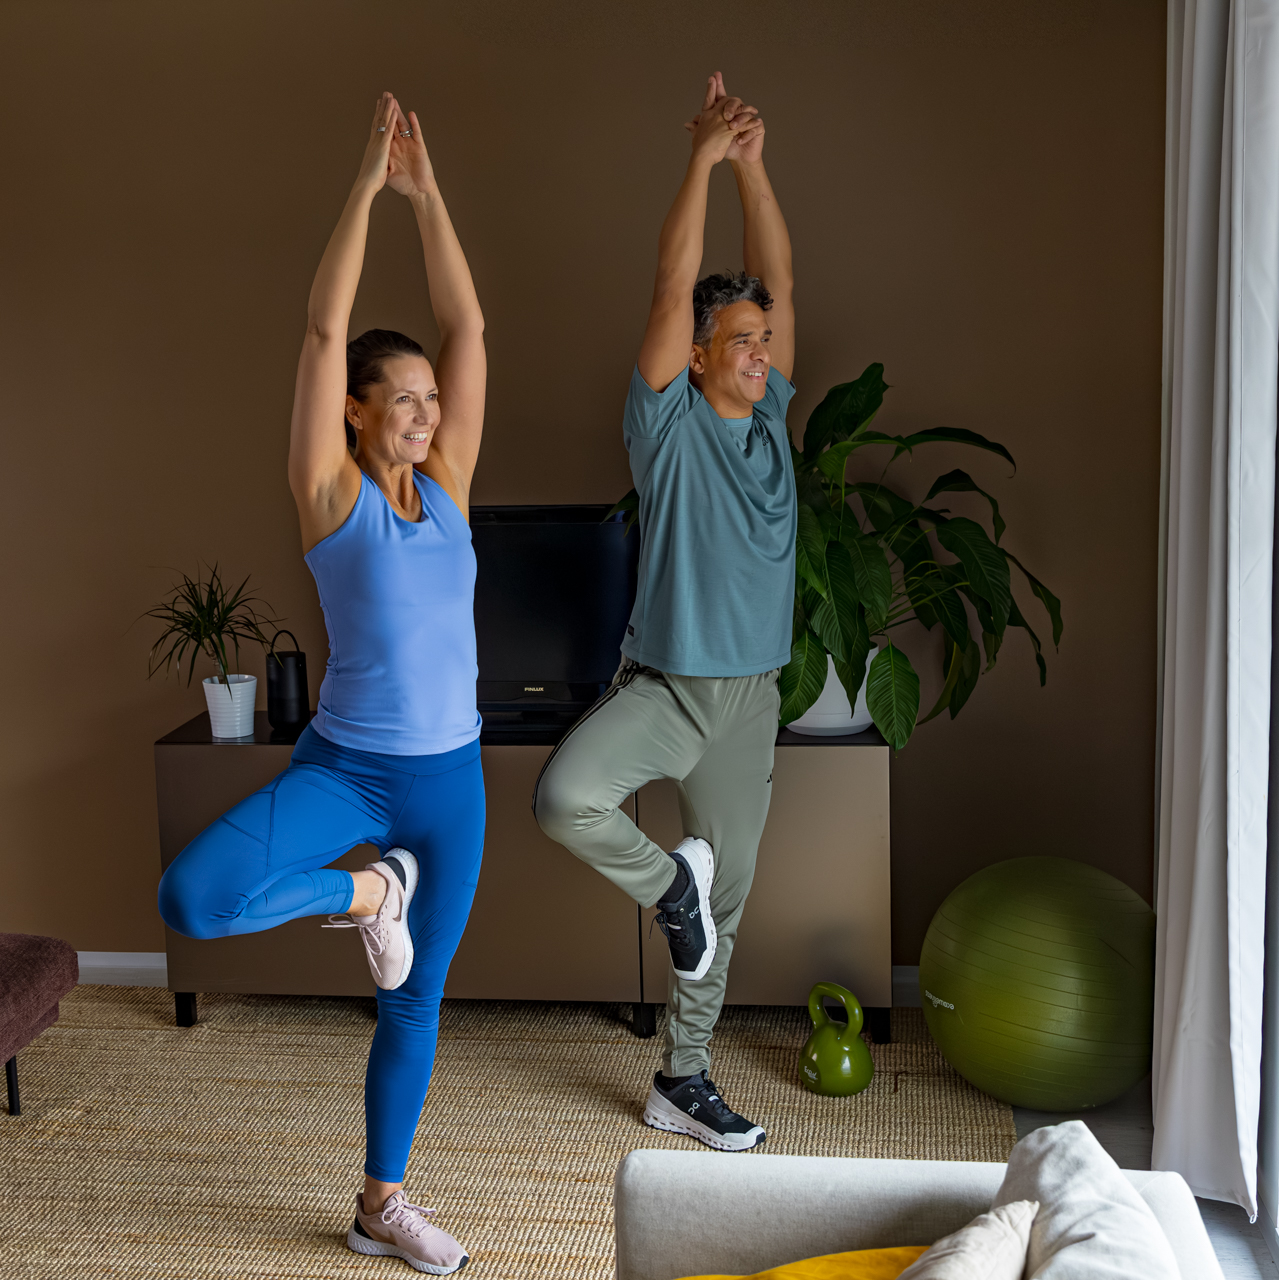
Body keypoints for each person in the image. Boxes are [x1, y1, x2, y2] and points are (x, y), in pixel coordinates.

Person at [158, 91, 484, 1276]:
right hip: (349, 773)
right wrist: (363, 185)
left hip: (452, 784)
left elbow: (471, 327)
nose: (425, 410)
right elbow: (318, 328)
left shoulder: (445, 482)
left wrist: (427, 192)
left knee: (416, 1003)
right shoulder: (329, 496)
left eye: (429, 399)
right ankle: (365, 901)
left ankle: (379, 1202)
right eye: (403, 396)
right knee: (194, 898)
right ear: (356, 410)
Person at [534, 72, 795, 1154]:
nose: (758, 349)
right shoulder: (666, 427)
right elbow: (668, 282)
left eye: (760, 340)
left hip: (751, 700)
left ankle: (682, 1078)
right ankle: (664, 889)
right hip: (671, 688)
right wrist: (698, 157)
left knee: (723, 905)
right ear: (692, 358)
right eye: (737, 339)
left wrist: (755, 167)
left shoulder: (773, 409)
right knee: (564, 797)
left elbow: (776, 275)